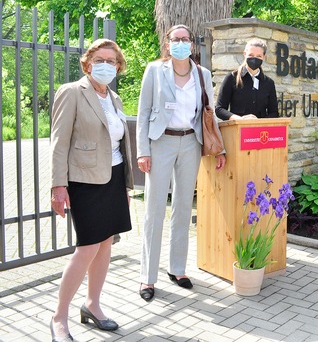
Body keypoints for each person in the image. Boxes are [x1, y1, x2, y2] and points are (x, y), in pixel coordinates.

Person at [49, 39, 133, 341]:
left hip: (112, 178)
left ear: (118, 66)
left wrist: (124, 185)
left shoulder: (115, 98)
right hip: (83, 181)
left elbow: (119, 144)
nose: (106, 65)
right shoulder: (72, 92)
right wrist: (58, 185)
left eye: (112, 61)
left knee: (106, 244)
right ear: (87, 63)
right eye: (100, 59)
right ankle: (59, 317)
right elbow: (59, 143)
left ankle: (92, 305)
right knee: (86, 248)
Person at [136, 24, 226, 302]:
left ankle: (177, 269)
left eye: (185, 39)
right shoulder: (154, 70)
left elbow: (209, 114)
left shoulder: (203, 74)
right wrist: (143, 151)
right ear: (167, 43)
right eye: (175, 39)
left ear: (191, 45)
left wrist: (219, 149)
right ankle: (147, 277)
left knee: (184, 206)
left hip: (190, 142)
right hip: (160, 142)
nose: (180, 43)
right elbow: (143, 112)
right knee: (153, 209)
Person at [216, 38, 278, 120]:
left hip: (261, 131)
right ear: (245, 54)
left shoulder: (268, 83)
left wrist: (258, 121)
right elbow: (219, 109)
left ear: (264, 57)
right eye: (251, 55)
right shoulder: (231, 78)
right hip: (237, 129)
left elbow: (274, 113)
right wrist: (240, 119)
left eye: (259, 56)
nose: (254, 59)